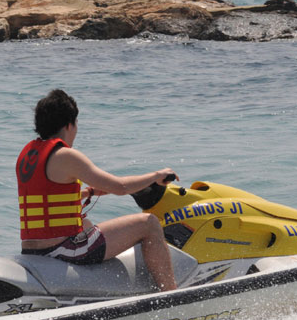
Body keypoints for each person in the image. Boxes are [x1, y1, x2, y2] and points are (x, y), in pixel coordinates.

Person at [16, 89, 178, 291]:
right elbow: (120, 187)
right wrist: (156, 176)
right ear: (69, 125)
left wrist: (88, 192)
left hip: (32, 251)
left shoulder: (27, 155)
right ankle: (170, 293)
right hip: (63, 249)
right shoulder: (65, 155)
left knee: (86, 223)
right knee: (149, 223)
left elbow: (45, 198)